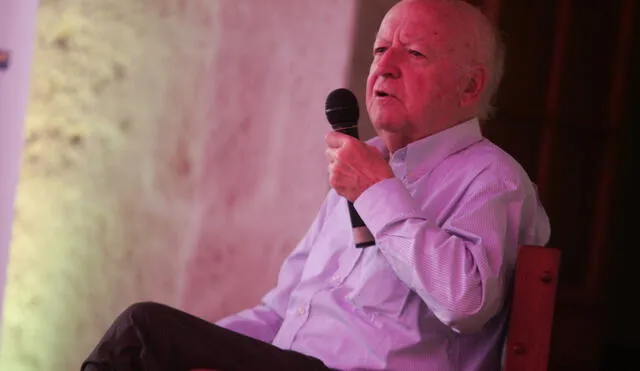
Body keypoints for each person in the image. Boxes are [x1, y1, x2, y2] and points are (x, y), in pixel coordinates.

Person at [81, 0, 551, 370]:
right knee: (155, 345)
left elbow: (465, 301)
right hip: (295, 363)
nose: (385, 67)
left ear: (469, 88)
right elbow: (284, 310)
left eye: (414, 53)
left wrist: (375, 191)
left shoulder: (492, 178)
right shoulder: (368, 163)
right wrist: (198, 351)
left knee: (144, 330)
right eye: (379, 50)